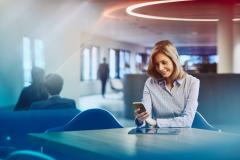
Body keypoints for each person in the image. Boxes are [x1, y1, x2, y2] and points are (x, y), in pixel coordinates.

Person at [135, 40, 200, 128]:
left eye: (164, 62)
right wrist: (140, 119)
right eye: (157, 64)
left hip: (183, 136)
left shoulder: (193, 83)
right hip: (157, 136)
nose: (160, 68)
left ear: (174, 60)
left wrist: (155, 123)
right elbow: (146, 119)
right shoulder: (150, 83)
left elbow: (187, 121)